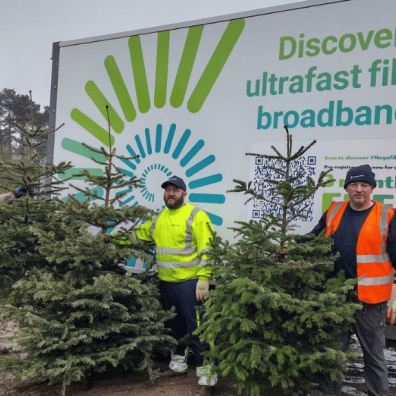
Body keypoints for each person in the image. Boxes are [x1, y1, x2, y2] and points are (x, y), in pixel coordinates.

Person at [114, 175, 217, 387]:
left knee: (197, 327)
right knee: (173, 325)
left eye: (175, 190)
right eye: (168, 190)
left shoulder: (195, 216)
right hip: (166, 283)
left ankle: (207, 366)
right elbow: (139, 235)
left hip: (190, 283)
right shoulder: (159, 218)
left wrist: (204, 278)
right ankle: (178, 357)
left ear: (184, 193)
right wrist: (113, 239)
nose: (170, 193)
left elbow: (207, 248)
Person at [311, 164, 396, 396]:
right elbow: (314, 239)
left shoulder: (387, 215)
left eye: (364, 185)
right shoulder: (334, 210)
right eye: (354, 185)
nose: (359, 189)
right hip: (337, 297)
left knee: (374, 357)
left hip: (370, 301)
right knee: (334, 354)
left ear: (372, 188)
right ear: (347, 188)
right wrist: (290, 247)